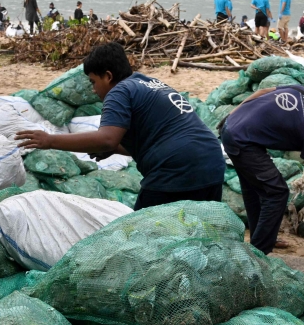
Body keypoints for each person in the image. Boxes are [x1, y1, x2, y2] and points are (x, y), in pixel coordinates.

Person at [15, 42, 225, 210]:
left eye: (93, 82)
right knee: (200, 231)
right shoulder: (148, 83)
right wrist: (113, 148)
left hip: (177, 168)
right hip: (211, 162)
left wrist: (50, 140)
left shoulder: (119, 91)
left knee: (146, 237)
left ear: (108, 76)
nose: (94, 90)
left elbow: (106, 138)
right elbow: (151, 139)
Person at [221, 86, 304, 255]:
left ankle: (261, 237)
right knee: (277, 192)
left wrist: (234, 114)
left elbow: (262, 91)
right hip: (242, 141)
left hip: (234, 126)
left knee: (255, 189)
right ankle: (258, 254)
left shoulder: (302, 90)